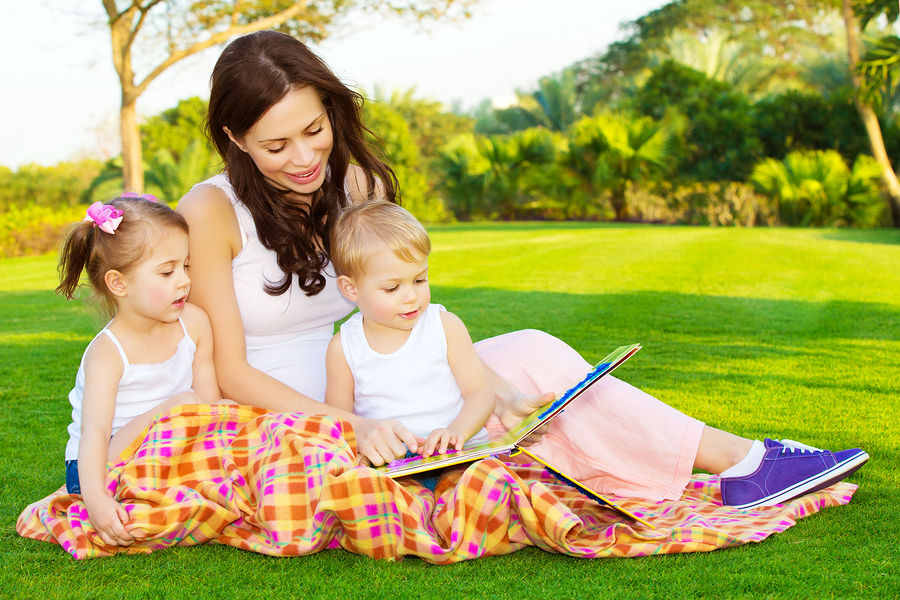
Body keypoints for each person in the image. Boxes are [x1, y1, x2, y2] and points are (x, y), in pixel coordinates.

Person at [177, 30, 868, 509]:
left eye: (314, 130)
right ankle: (738, 463)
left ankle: (739, 462)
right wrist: (345, 423)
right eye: (276, 144)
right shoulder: (210, 210)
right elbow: (231, 371)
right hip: (291, 409)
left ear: (332, 111)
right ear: (234, 138)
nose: (303, 157)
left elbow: (398, 302)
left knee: (529, 357)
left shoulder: (354, 186)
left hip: (376, 378)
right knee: (516, 378)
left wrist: (468, 374)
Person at [57, 194, 228, 547]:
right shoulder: (108, 353)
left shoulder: (194, 322)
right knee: (182, 403)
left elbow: (209, 405)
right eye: (167, 271)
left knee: (219, 414)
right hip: (97, 463)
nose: (183, 281)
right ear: (119, 284)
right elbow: (95, 432)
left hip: (164, 447)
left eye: (186, 266)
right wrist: (96, 498)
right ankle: (96, 496)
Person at [325, 200, 492, 457]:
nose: (411, 297)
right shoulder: (344, 347)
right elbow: (340, 421)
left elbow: (480, 393)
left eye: (419, 279)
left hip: (462, 454)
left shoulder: (445, 326)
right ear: (351, 288)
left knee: (483, 489)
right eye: (392, 288)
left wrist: (457, 431)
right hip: (394, 463)